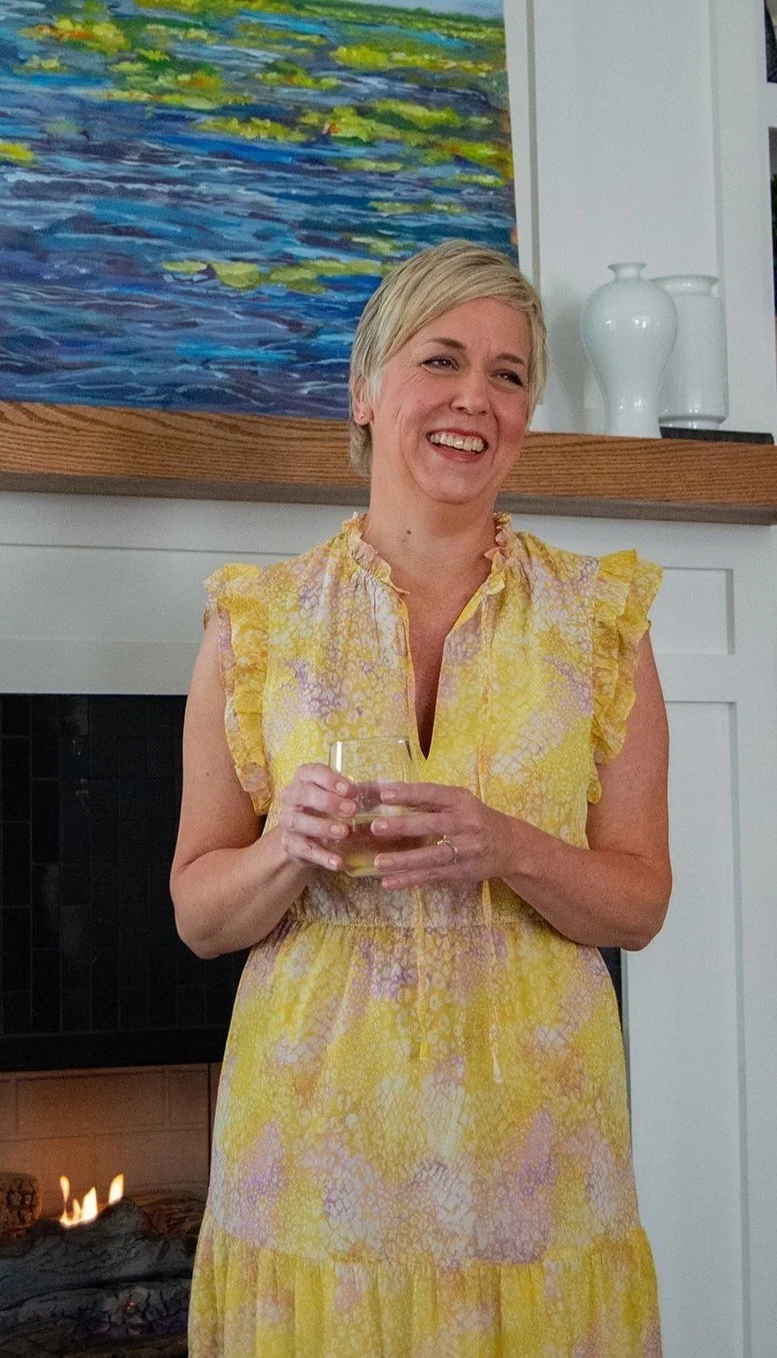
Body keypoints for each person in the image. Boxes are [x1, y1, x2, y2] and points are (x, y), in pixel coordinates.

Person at [170, 239, 671, 1356]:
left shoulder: (601, 625)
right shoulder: (256, 624)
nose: (473, 399)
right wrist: (282, 851)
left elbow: (638, 901)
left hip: (534, 1170)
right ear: (365, 388)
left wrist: (511, 845)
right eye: (440, 359)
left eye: (507, 374)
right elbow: (200, 911)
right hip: (314, 1168)